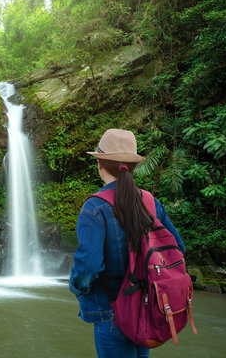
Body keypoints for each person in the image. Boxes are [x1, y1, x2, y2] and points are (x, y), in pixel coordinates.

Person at [69, 129, 185, 358]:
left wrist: (78, 287)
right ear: (131, 167)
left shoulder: (95, 208)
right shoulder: (150, 202)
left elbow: (88, 267)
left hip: (111, 311)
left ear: (99, 163)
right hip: (147, 307)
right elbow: (178, 250)